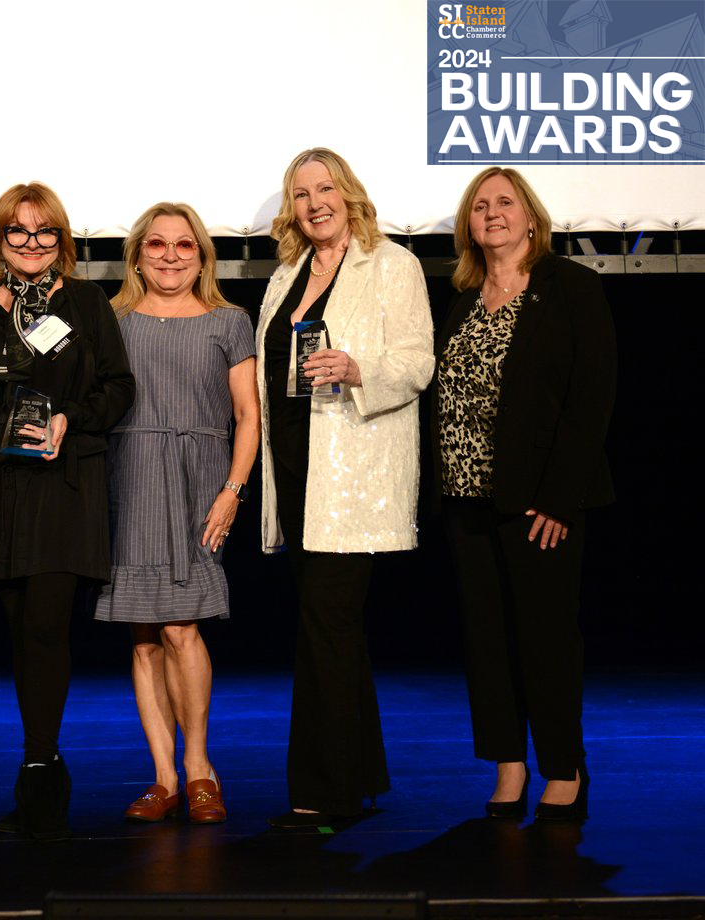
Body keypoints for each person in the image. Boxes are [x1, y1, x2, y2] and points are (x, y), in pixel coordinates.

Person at [0, 182, 134, 839]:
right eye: (18, 232)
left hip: (63, 486)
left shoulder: (86, 303)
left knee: (46, 627)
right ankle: (40, 763)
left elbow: (119, 387)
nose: (32, 243)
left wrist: (72, 419)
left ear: (62, 240)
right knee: (22, 635)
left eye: (45, 232)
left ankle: (42, 771)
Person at [256, 148, 435, 826]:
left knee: (326, 623)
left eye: (324, 188)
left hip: (353, 473)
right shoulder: (283, 277)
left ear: (348, 193)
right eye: (300, 194)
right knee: (331, 627)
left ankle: (324, 786)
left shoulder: (393, 265)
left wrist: (360, 369)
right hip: (297, 473)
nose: (313, 203)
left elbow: (419, 361)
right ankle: (358, 773)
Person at [433, 167, 616, 821]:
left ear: (531, 217)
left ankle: (564, 767)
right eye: (480, 205)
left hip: (539, 502)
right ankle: (509, 764)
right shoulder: (459, 299)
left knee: (545, 637)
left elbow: (590, 401)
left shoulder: (571, 288)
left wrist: (559, 499)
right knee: (487, 638)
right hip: (465, 498)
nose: (492, 213)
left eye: (505, 202)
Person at [95, 203, 260, 824]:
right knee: (143, 635)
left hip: (199, 482)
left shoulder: (228, 321)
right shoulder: (113, 320)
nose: (169, 256)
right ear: (137, 254)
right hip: (129, 477)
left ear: (202, 255)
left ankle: (199, 767)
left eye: (183, 245)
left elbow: (248, 415)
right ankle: (163, 777)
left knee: (182, 627)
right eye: (157, 245)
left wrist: (233, 489)